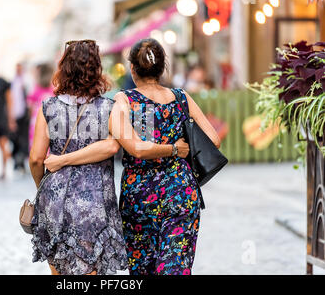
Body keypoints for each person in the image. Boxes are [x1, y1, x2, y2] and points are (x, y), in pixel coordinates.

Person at [45, 39, 221, 275]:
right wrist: (177, 148)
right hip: (180, 192)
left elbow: (136, 148)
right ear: (162, 67)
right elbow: (214, 140)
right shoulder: (182, 98)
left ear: (132, 69)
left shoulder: (125, 101)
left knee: (142, 268)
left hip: (140, 196)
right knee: (176, 267)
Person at [29, 40, 129, 276]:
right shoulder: (108, 108)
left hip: (54, 200)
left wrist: (42, 186)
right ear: (97, 70)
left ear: (64, 69)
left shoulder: (48, 108)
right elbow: (113, 146)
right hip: (94, 201)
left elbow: (35, 158)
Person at [27, 63, 54, 148]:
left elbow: (30, 105)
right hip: (52, 121)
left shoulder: (35, 87)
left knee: (35, 146)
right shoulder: (55, 88)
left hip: (37, 120)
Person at [10, 63, 29, 172]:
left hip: (24, 115)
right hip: (15, 114)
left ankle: (21, 161)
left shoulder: (26, 81)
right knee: (15, 139)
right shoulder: (13, 82)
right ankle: (17, 160)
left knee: (23, 139)